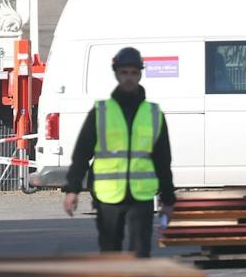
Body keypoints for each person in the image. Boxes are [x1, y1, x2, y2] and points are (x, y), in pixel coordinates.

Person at [61, 45, 175, 255]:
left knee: (140, 254)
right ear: (116, 74)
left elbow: (163, 159)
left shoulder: (154, 113)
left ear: (140, 74)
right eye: (124, 73)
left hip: (141, 195)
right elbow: (81, 154)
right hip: (108, 195)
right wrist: (72, 189)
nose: (129, 78)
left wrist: (168, 199)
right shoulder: (101, 112)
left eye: (133, 73)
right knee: (110, 253)